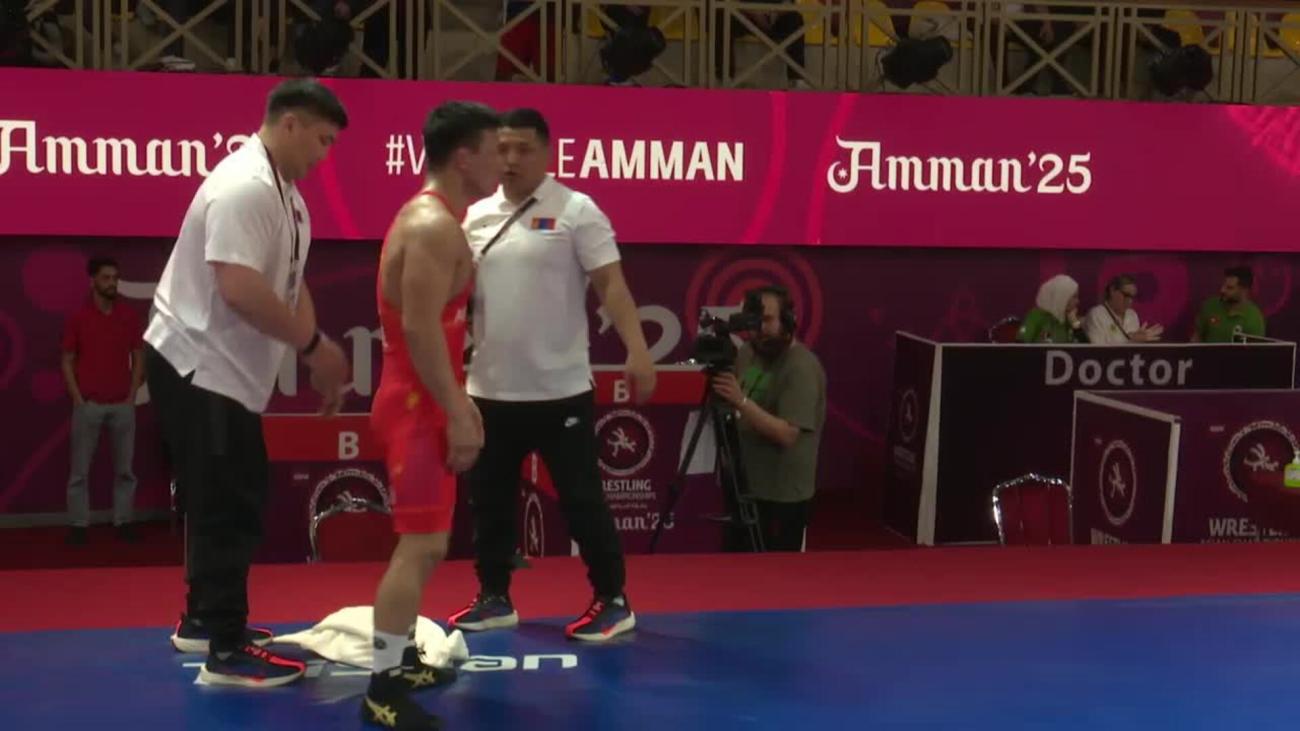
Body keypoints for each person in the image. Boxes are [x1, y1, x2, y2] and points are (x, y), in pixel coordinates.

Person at [144, 78, 350, 687]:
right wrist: (311, 347)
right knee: (228, 502)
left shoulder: (289, 198)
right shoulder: (245, 185)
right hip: (197, 364)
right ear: (289, 124)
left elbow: (290, 282)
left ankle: (205, 620)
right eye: (321, 139)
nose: (325, 154)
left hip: (223, 373)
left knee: (233, 492)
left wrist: (317, 351)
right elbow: (237, 286)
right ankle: (227, 649)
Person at [450, 107, 656, 643]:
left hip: (560, 391)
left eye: (523, 149)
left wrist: (638, 350)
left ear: (546, 153)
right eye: (503, 148)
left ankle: (612, 599)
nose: (511, 159)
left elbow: (612, 286)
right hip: (489, 391)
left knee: (582, 500)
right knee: (488, 503)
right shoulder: (475, 216)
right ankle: (494, 596)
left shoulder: (577, 211)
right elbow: (457, 295)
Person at [363, 101, 503, 730]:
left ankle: (398, 664)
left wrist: (457, 403)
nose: (503, 163)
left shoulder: (444, 220)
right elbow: (420, 329)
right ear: (464, 157)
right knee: (418, 546)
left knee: (430, 543)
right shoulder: (430, 225)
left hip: (425, 397)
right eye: (495, 151)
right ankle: (381, 691)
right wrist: (459, 409)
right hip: (416, 402)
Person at [710, 286, 826, 551]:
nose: (760, 329)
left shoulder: (801, 367)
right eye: (753, 322)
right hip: (744, 488)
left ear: (788, 320)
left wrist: (741, 401)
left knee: (775, 573)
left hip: (781, 496)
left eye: (767, 320)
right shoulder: (748, 353)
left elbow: (787, 435)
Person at [61, 256, 144, 545]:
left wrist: (132, 394)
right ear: (93, 281)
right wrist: (77, 398)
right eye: (106, 278)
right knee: (79, 472)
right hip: (89, 405)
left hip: (122, 404)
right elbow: (67, 359)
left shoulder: (128, 316)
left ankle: (124, 521)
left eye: (115, 278)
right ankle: (78, 525)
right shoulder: (79, 317)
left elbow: (138, 355)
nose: (112, 283)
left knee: (125, 471)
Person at [1083, 274, 1164, 345]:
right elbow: (1097, 351)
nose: (1130, 301)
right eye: (1126, 295)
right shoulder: (1096, 314)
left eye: (1132, 297)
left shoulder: (1132, 315)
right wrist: (1131, 340)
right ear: (1112, 290)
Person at [1192, 266, 1266, 343]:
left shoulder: (1254, 317)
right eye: (1223, 285)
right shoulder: (1210, 306)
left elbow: (1255, 349)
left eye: (1229, 288)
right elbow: (1197, 337)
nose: (1222, 290)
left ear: (1244, 290)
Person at [1017, 274, 1088, 343]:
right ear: (1061, 297)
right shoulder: (1036, 315)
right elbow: (1019, 346)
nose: (1078, 301)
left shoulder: (1070, 318)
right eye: (1074, 297)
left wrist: (1075, 322)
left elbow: (1087, 348)